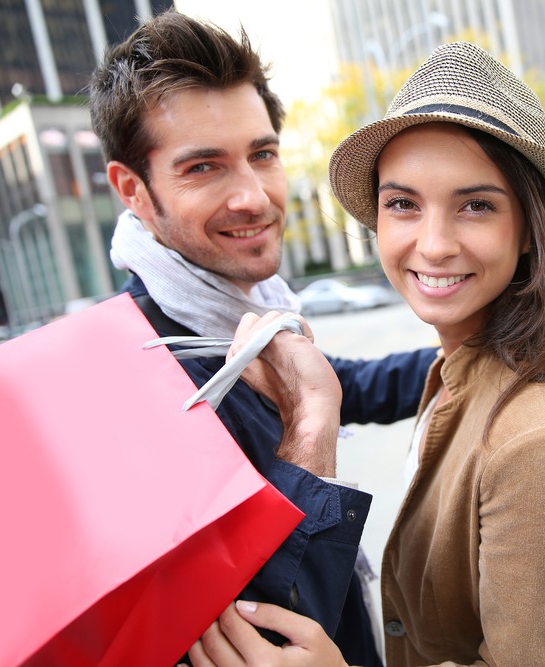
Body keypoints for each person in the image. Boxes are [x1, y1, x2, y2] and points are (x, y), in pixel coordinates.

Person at [185, 41, 545, 667]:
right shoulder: (475, 357)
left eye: (476, 205)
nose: (434, 244)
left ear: (530, 229)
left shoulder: (540, 438)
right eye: (403, 204)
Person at [87, 10, 436, 666]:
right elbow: (260, 634)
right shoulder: (130, 384)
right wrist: (309, 427)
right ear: (134, 189)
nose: (253, 196)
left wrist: (481, 349)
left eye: (262, 154)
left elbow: (345, 380)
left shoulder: (243, 315)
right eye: (203, 167)